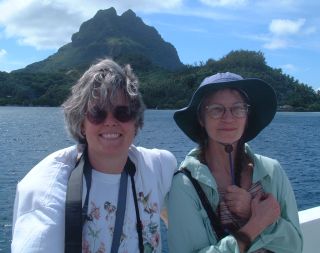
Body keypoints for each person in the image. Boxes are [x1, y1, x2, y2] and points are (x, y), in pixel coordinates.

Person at [11, 58, 177, 253]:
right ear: (81, 123)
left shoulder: (160, 165)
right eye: (97, 113)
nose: (110, 122)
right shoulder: (48, 190)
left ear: (135, 121)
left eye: (122, 112)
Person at [167, 72, 303, 253]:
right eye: (216, 109)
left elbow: (295, 247)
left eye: (238, 108)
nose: (228, 118)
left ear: (247, 116)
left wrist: (249, 211)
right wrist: (256, 222)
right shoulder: (185, 185)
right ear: (201, 118)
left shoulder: (272, 172)